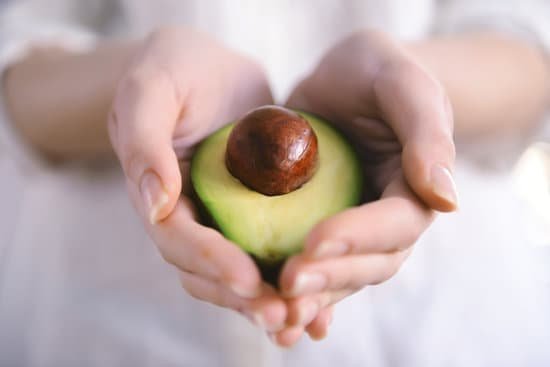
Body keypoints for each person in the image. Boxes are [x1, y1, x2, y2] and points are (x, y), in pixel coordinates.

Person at [1, 0, 549, 366]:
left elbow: (529, 44)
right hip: (110, 325)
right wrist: (139, 83)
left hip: (451, 324)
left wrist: (411, 85)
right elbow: (16, 60)